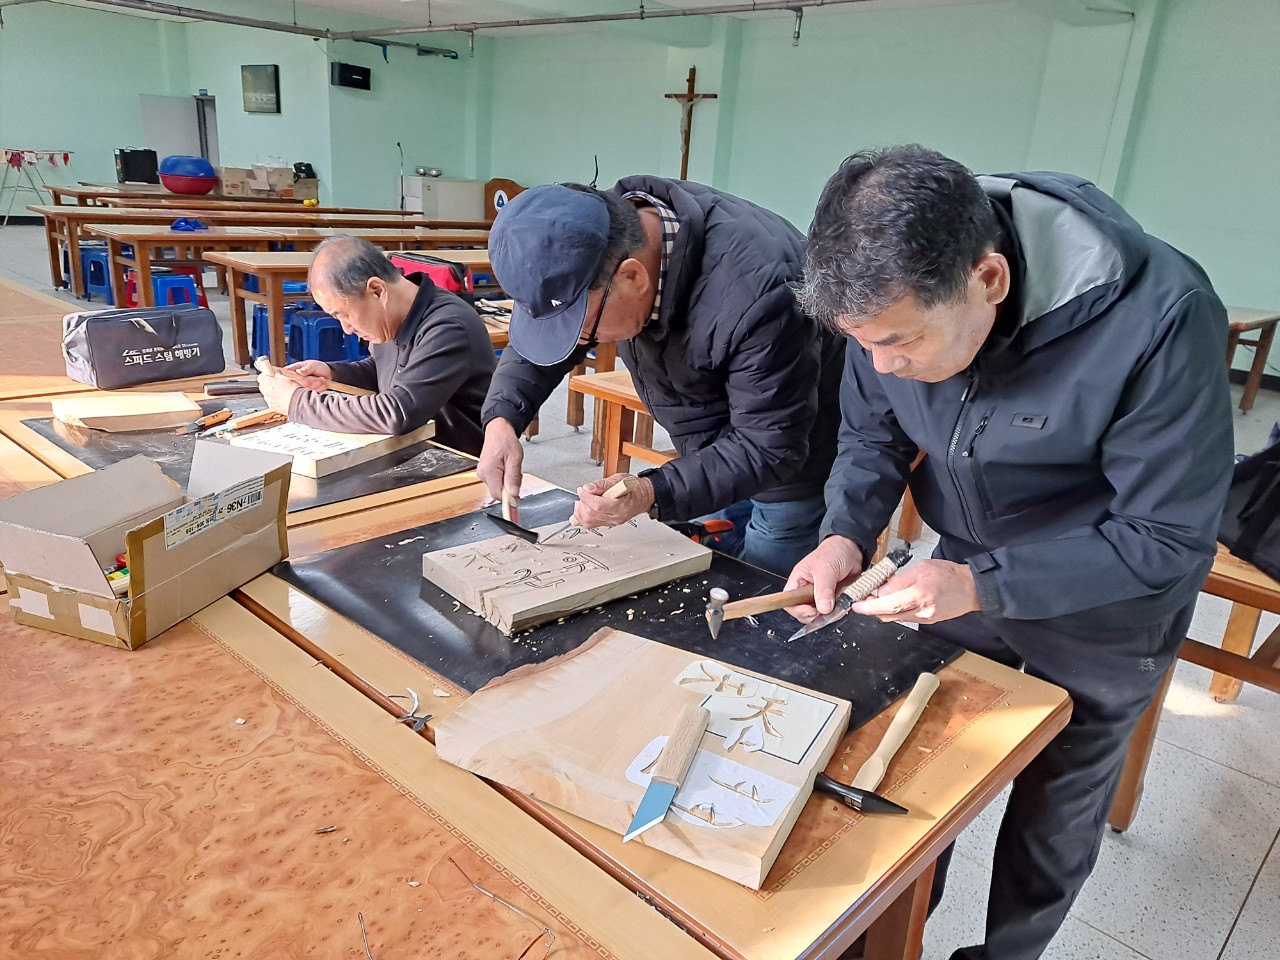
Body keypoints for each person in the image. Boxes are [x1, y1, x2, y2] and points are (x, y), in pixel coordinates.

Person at [786, 145, 1233, 960]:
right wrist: (844, 534)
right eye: (865, 345)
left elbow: (1165, 538)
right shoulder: (884, 297)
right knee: (911, 762)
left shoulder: (1161, 314)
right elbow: (870, 431)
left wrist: (978, 583)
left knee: (1054, 809)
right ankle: (891, 937)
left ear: (988, 280)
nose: (886, 365)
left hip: (1109, 596)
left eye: (901, 343)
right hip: (962, 562)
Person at [477, 179, 846, 576]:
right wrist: (502, 419)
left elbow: (769, 446)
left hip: (794, 454)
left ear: (633, 278)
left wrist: (655, 490)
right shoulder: (598, 238)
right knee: (711, 557)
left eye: (584, 333)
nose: (582, 343)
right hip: (713, 441)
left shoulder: (761, 291)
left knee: (762, 589)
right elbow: (547, 327)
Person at [256, 235, 496, 456]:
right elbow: (384, 370)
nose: (346, 328)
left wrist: (296, 403)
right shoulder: (394, 317)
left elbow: (397, 412)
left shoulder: (448, 326)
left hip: (458, 463)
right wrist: (333, 374)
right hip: (411, 449)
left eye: (344, 314)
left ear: (377, 290)